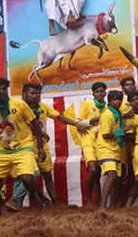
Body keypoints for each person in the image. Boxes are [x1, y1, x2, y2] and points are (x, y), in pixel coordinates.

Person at [5, 83, 88, 211]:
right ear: (24, 94)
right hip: (23, 147)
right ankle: (28, 201)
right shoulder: (18, 108)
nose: (36, 96)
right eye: (32, 93)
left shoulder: (43, 107)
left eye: (38, 93)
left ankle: (53, 203)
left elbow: (59, 117)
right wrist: (41, 133)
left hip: (42, 146)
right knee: (28, 176)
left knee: (47, 176)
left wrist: (75, 124)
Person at [0, 78, 45, 215]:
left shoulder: (19, 104)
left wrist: (41, 147)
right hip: (1, 151)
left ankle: (35, 197)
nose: (1, 92)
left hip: (23, 147)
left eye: (4, 89)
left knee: (27, 178)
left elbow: (36, 125)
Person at [97, 90, 130, 208]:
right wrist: (123, 130)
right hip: (105, 148)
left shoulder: (118, 114)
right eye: (114, 99)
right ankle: (102, 206)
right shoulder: (108, 114)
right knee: (112, 176)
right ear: (109, 101)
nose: (117, 102)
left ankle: (111, 206)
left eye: (119, 99)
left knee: (116, 179)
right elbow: (105, 134)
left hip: (115, 149)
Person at [77, 82, 107, 206]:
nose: (100, 93)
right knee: (93, 170)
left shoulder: (107, 107)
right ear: (93, 93)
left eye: (102, 91)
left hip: (101, 142)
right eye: (97, 91)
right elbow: (78, 123)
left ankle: (99, 202)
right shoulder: (88, 104)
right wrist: (91, 120)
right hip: (88, 141)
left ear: (105, 93)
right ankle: (87, 198)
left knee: (98, 173)